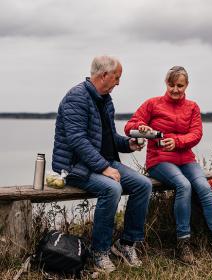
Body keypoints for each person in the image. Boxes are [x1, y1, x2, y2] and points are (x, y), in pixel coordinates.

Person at [124, 66, 212, 263]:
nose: (175, 89)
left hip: (186, 159)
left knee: (203, 187)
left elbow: (196, 134)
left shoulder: (192, 107)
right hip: (160, 160)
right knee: (184, 185)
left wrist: (177, 142)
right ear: (166, 83)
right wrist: (140, 127)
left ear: (187, 85)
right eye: (171, 85)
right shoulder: (152, 104)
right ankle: (183, 243)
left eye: (180, 85)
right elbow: (129, 126)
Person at [52, 55, 152, 273]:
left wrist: (130, 144)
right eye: (117, 77)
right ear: (104, 75)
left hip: (100, 162)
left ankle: (125, 244)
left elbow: (108, 137)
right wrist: (104, 168)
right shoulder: (76, 98)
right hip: (74, 167)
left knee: (143, 184)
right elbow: (77, 140)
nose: (118, 82)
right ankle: (100, 252)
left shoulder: (105, 99)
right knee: (112, 188)